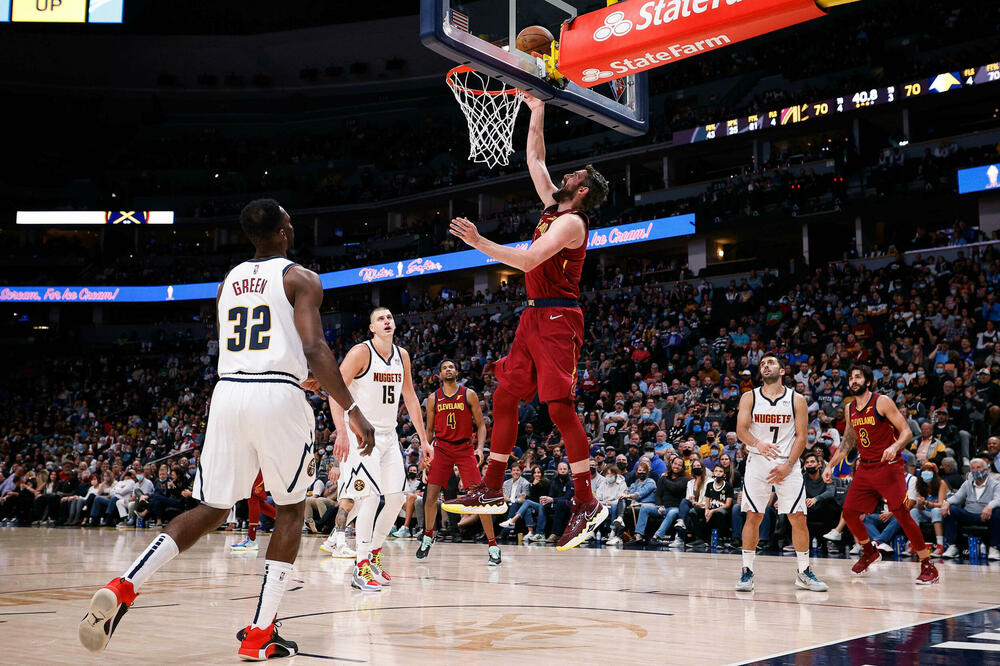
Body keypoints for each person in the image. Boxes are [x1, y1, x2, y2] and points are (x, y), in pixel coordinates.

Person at [79, 198, 376, 659]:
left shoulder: (227, 282)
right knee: (292, 509)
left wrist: (292, 367)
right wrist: (352, 408)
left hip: (228, 393)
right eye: (290, 220)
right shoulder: (300, 277)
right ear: (281, 231)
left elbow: (247, 344)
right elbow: (315, 346)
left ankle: (124, 584)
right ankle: (260, 634)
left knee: (212, 507)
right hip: (277, 398)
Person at [443, 93, 611, 551]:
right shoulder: (555, 207)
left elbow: (530, 258)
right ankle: (493, 487)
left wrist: (480, 242)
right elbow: (534, 158)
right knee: (504, 394)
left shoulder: (573, 223)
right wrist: (536, 108)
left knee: (559, 409)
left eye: (573, 177)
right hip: (534, 315)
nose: (566, 175)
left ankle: (586, 501)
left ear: (581, 192)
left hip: (559, 315)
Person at [327, 306, 433, 592]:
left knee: (398, 497)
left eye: (389, 317)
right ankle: (360, 566)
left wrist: (423, 440)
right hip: (362, 435)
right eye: (380, 319)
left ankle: (372, 554)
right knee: (370, 498)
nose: (387, 321)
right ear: (372, 328)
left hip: (389, 435)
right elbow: (335, 391)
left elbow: (410, 397)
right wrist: (341, 431)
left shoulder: (403, 356)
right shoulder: (361, 353)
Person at [823, 364, 940, 584]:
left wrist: (894, 447)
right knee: (848, 513)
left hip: (889, 465)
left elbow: (906, 432)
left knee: (901, 513)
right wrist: (830, 465)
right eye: (850, 378)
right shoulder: (850, 409)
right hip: (865, 467)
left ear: (868, 382)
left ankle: (928, 565)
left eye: (858, 377)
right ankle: (869, 552)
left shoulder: (881, 401)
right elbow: (848, 441)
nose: (853, 381)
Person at [735, 354, 827, 592]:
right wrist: (759, 444)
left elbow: (802, 436)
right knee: (753, 516)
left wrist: (788, 465)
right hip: (757, 461)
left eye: (771, 362)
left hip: (788, 463)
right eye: (763, 363)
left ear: (783, 371)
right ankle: (747, 571)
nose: (766, 366)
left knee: (797, 516)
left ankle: (804, 571)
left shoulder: (796, 399)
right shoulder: (749, 397)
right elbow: (741, 430)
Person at [416, 359, 498, 565]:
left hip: (464, 448)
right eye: (444, 368)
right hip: (441, 448)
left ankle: (493, 545)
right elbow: (429, 430)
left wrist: (479, 448)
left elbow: (481, 425)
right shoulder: (433, 398)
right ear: (439, 375)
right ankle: (428, 535)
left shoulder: (468, 394)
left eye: (451, 367)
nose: (448, 369)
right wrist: (424, 453)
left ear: (457, 372)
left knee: (480, 497)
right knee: (431, 496)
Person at [941, 459, 1000, 561]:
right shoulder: (967, 483)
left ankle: (993, 547)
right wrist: (947, 502)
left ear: (986, 470)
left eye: (979, 468)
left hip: (986, 515)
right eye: (973, 468)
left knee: (998, 511)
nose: (976, 470)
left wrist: (990, 506)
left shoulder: (995, 484)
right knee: (952, 509)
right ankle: (952, 546)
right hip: (969, 514)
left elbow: (998, 499)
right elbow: (957, 497)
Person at [231, 471, 276, 552]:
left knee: (253, 497)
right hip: (252, 468)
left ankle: (251, 539)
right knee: (258, 503)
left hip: (261, 466)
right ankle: (287, 521)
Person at [910, 462, 948, 557]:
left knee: (935, 511)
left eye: (929, 471)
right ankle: (914, 544)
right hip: (927, 513)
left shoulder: (941, 483)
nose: (926, 473)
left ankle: (940, 546)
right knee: (913, 511)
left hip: (941, 513)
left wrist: (927, 503)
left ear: (934, 473)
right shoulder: (920, 484)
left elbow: (940, 504)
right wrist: (919, 504)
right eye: (924, 471)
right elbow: (920, 507)